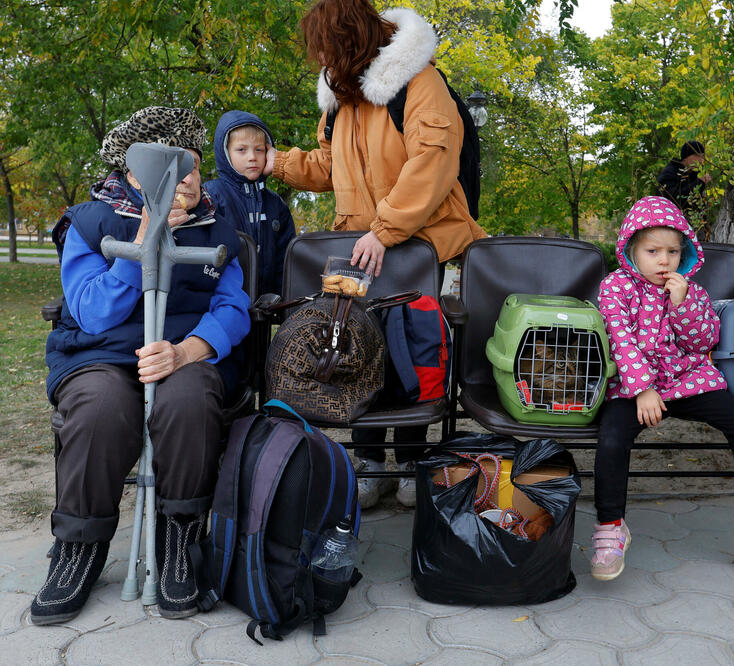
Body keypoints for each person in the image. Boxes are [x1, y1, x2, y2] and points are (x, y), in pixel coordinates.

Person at [264, 0, 486, 509]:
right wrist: (278, 163)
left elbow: (432, 164)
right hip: (361, 246)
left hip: (417, 246)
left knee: (411, 350)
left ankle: (410, 459)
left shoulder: (419, 82)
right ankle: (369, 462)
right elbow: (330, 166)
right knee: (356, 347)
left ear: (351, 41)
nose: (321, 59)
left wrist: (385, 230)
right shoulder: (341, 95)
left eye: (327, 48)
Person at [32, 106, 251, 624]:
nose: (190, 180)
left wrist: (186, 351)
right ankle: (78, 549)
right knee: (100, 408)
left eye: (195, 165)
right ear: (134, 175)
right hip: (103, 354)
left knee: (190, 399)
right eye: (175, 168)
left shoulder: (219, 226)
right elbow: (91, 310)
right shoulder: (89, 222)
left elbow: (233, 307)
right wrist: (142, 243)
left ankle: (178, 539)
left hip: (183, 352)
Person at [591, 195, 734, 582]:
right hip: (632, 386)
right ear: (631, 250)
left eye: (673, 251)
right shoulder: (616, 287)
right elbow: (618, 337)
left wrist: (683, 303)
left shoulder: (692, 291)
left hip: (687, 379)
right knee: (611, 438)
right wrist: (642, 389)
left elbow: (702, 341)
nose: (664, 261)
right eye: (652, 251)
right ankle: (610, 526)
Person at [205, 110, 295, 296]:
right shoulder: (210, 196)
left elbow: (285, 260)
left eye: (259, 149)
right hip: (220, 300)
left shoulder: (276, 205)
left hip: (266, 307)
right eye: (241, 150)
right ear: (225, 154)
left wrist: (281, 300)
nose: (252, 157)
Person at [656, 140, 711, 216]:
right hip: (669, 219)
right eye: (697, 156)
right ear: (686, 157)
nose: (701, 161)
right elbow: (674, 200)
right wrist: (699, 183)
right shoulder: (669, 173)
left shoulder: (695, 173)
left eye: (702, 156)